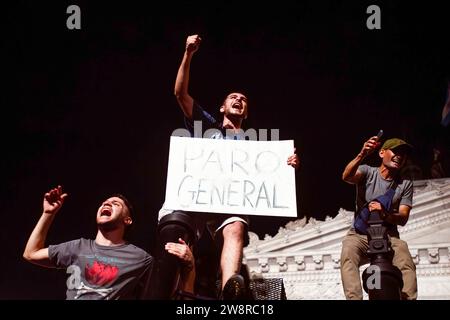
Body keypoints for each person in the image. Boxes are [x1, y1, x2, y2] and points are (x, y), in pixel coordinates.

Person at [152, 34, 300, 300]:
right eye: (233, 97)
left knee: (236, 226)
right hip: (195, 198)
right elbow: (179, 93)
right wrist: (188, 53)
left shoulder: (256, 148)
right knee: (180, 239)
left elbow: (273, 175)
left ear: (246, 113)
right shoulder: (207, 126)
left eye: (243, 100)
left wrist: (288, 164)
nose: (239, 100)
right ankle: (170, 292)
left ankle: (231, 287)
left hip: (226, 201)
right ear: (222, 107)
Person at [23, 186, 153, 300]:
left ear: (127, 220)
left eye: (115, 203)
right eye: (104, 203)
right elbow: (31, 254)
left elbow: (165, 288)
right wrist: (48, 213)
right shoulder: (78, 247)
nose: (106, 204)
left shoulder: (141, 259)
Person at [340, 137, 418, 300]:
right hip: (360, 234)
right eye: (396, 151)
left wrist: (385, 214)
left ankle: (408, 298)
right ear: (382, 153)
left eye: (403, 154)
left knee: (405, 259)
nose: (400, 156)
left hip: (389, 235)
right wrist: (362, 153)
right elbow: (347, 176)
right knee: (348, 251)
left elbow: (403, 217)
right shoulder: (368, 172)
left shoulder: (405, 184)